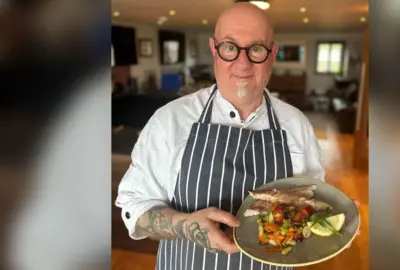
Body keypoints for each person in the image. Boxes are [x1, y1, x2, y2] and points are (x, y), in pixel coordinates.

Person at [116, 3, 330, 270]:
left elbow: (309, 200)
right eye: (230, 47)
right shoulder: (170, 120)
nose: (243, 63)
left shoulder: (297, 125)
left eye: (256, 49)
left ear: (272, 53)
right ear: (214, 49)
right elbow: (133, 208)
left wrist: (330, 216)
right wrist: (183, 225)